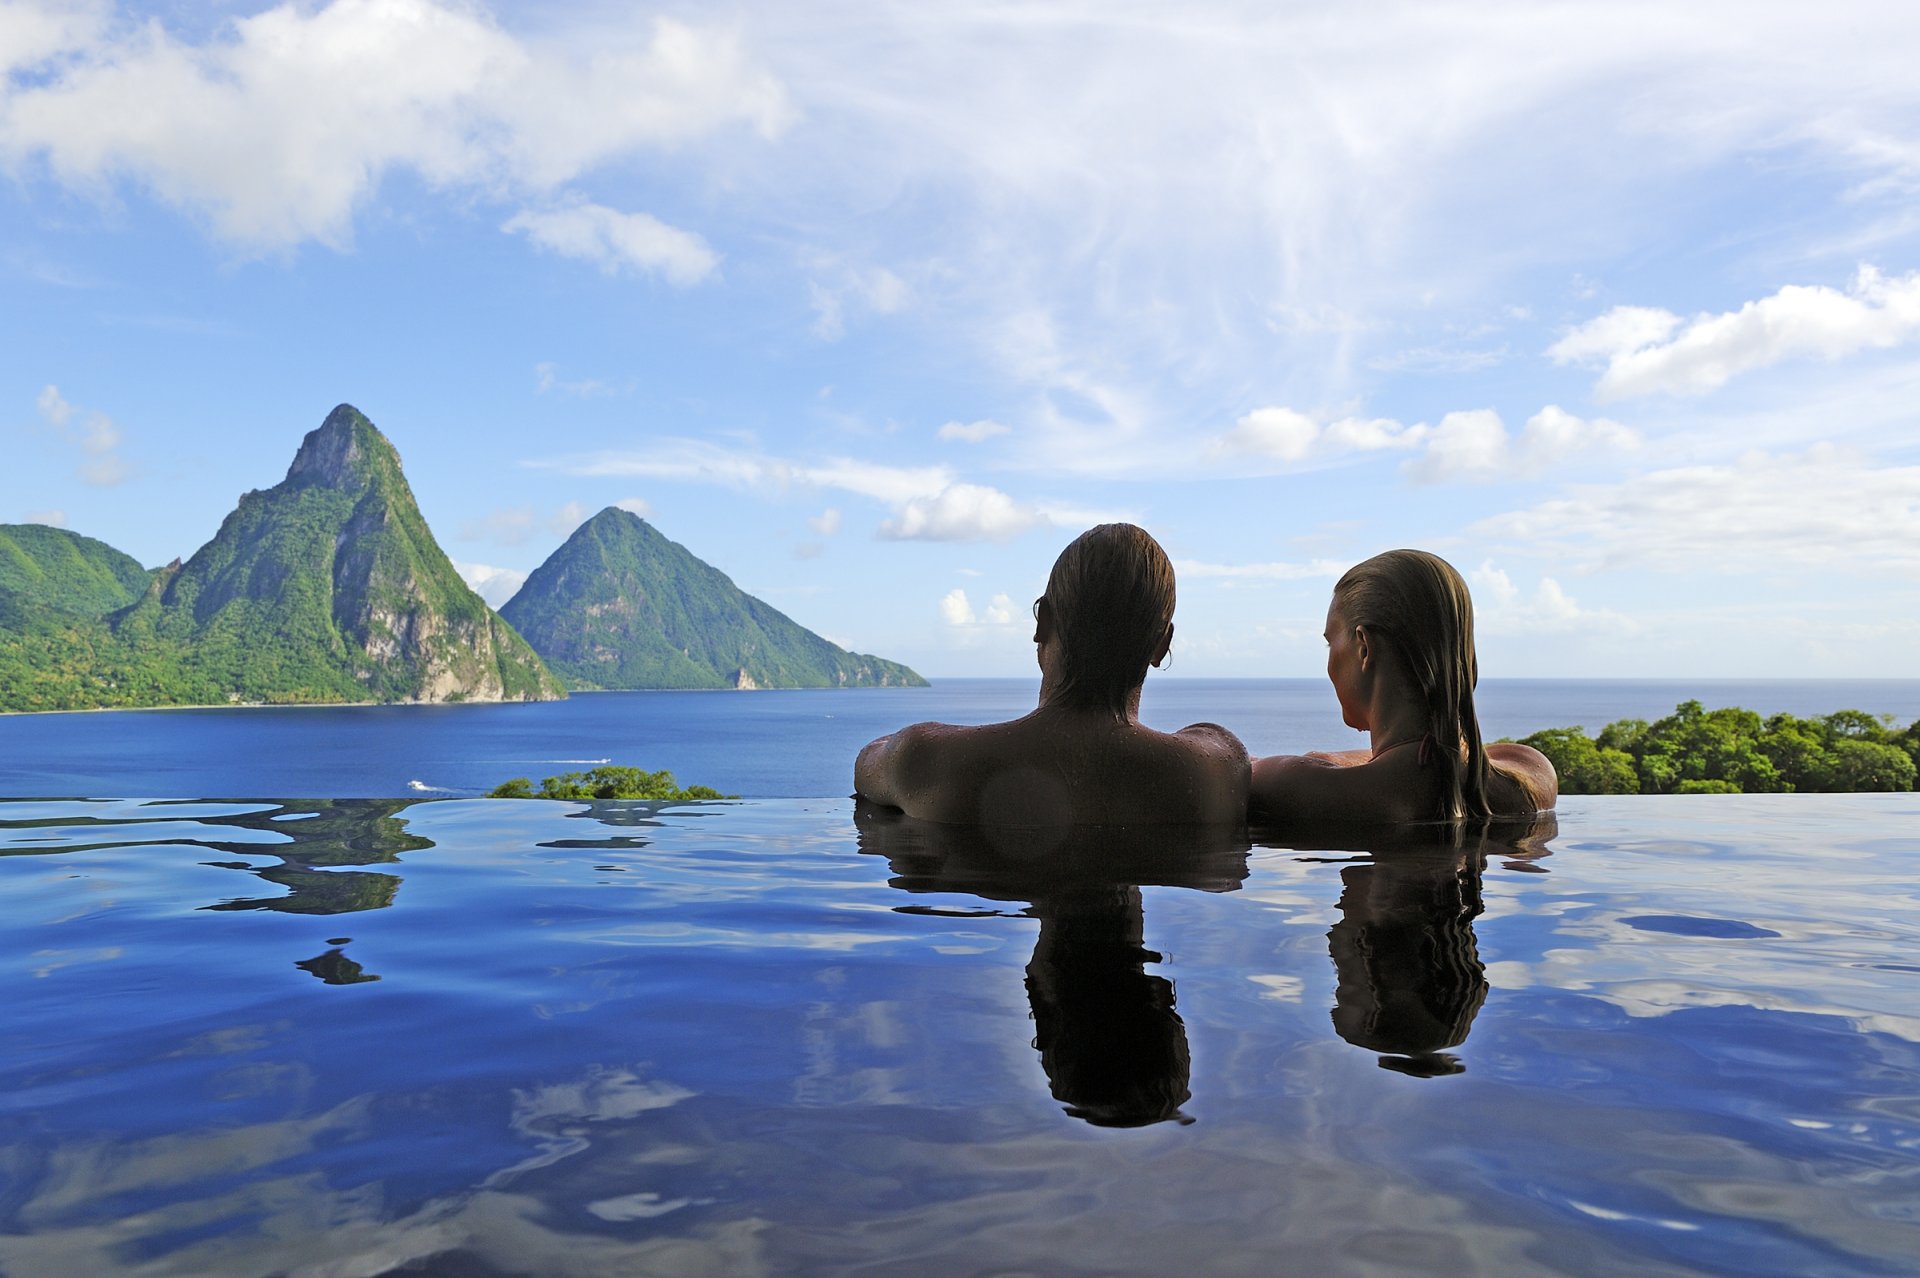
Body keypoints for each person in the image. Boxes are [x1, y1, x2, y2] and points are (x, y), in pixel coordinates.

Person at [854, 523, 1249, 826]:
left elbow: (869, 763)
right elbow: (1220, 747)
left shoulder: (924, 759)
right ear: (1161, 645)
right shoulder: (1215, 771)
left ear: (1043, 621)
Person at [1250, 549, 1557, 825]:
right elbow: (1454, 756)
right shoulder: (1530, 777)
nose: (1329, 662)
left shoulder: (1300, 786)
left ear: (1364, 648)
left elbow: (1229, 765)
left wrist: (1323, 759)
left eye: (1330, 643)